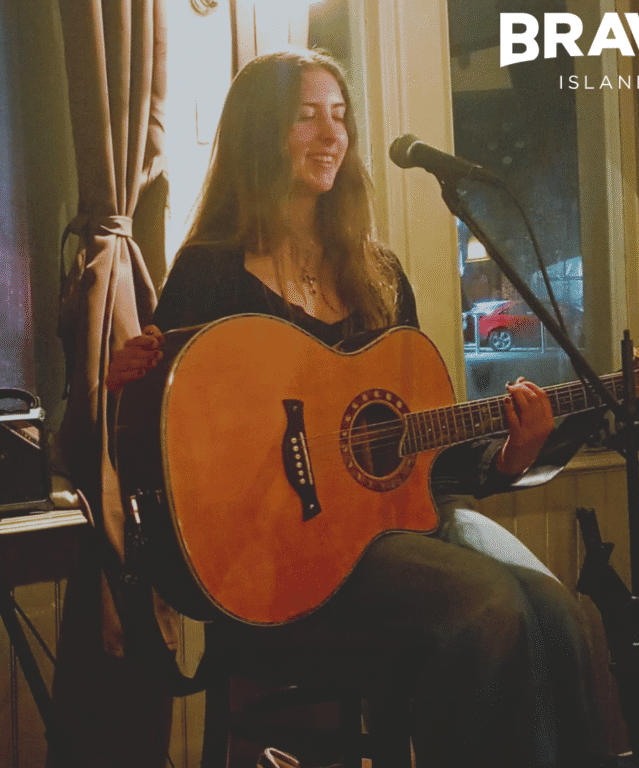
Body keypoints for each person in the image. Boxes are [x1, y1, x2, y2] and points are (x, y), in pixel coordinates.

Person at [107, 48, 607, 768]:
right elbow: (172, 434)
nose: (330, 134)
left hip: (405, 522)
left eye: (339, 116)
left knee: (560, 613)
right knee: (488, 610)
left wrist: (509, 455)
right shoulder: (211, 271)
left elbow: (417, 448)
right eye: (305, 116)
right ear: (258, 132)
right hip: (285, 562)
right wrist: (133, 379)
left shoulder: (377, 275)